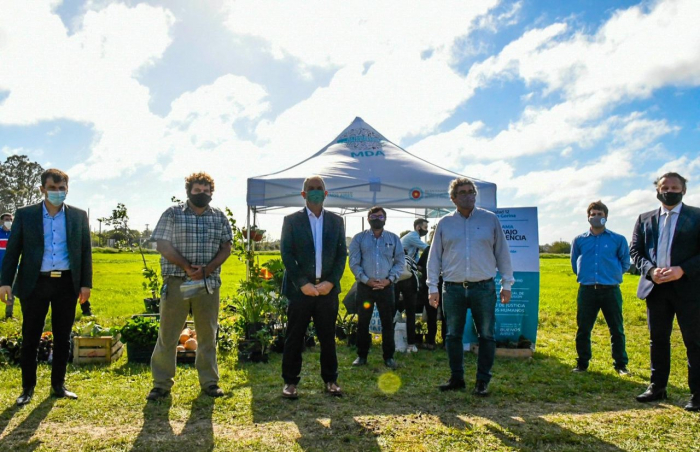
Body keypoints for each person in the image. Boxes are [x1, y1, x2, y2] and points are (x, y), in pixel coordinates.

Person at [0, 169, 92, 406]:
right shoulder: (26, 215)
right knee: (30, 337)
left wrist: (85, 284)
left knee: (63, 337)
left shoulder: (78, 216)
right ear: (42, 189)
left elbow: (85, 252)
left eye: (62, 189)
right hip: (34, 283)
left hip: (66, 283)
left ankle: (58, 385)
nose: (58, 193)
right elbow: (13, 252)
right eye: (53, 188)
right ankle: (27, 388)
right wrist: (5, 282)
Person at [146, 172, 233, 401]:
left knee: (207, 334)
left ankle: (210, 382)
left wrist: (207, 269)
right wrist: (186, 266)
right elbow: (162, 244)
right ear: (188, 191)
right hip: (178, 281)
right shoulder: (172, 214)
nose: (202, 194)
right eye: (197, 190)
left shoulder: (219, 217)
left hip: (207, 282)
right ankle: (161, 384)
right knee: (168, 334)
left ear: (211, 193)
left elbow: (226, 247)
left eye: (206, 191)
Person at [427, 177, 513, 396]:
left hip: (483, 288)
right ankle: (457, 378)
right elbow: (434, 257)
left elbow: (502, 253)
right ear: (453, 198)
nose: (468, 195)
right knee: (453, 335)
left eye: (471, 191)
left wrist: (507, 283)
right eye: (462, 192)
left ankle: (482, 381)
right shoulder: (445, 223)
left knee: (486, 335)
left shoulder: (490, 220)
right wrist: (432, 287)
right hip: (452, 288)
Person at [630, 172, 700, 412]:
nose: (669, 190)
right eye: (664, 187)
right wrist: (650, 271)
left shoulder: (697, 216)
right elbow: (636, 251)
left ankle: (698, 394)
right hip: (656, 289)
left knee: (694, 342)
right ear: (657, 190)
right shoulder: (645, 218)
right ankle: (657, 387)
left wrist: (683, 269)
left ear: (683, 190)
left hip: (689, 289)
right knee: (657, 339)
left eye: (674, 187)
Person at [280, 175, 347, 399]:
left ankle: (331, 380)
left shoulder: (337, 221)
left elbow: (341, 256)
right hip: (301, 291)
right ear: (303, 194)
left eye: (320, 188)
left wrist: (331, 282)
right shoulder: (291, 221)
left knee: (328, 337)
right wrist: (302, 284)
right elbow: (287, 254)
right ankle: (290, 382)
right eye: (311, 188)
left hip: (327, 290)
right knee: (294, 336)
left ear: (326, 194)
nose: (316, 191)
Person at [570, 201, 630, 375]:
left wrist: (613, 274)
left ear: (606, 217)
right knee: (583, 328)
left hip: (610, 289)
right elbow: (574, 263)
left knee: (616, 329)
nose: (596, 217)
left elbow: (625, 262)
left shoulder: (618, 239)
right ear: (588, 217)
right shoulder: (579, 240)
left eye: (600, 214)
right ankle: (582, 363)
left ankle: (620, 364)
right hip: (587, 290)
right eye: (593, 214)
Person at [349, 206, 405, 370]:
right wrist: (367, 280)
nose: (377, 219)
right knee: (363, 322)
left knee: (388, 323)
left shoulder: (393, 238)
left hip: (386, 287)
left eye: (380, 217)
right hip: (365, 287)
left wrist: (389, 280)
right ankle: (362, 355)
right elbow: (354, 263)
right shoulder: (359, 238)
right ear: (368, 219)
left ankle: (388, 357)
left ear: (385, 219)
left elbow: (400, 262)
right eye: (374, 216)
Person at [393, 252, 419, 353]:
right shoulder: (410, 259)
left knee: (391, 313)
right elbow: (415, 271)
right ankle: (411, 344)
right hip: (410, 283)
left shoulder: (393, 258)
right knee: (410, 315)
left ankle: (392, 341)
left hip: (395, 282)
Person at [0, 212, 15, 319]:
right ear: (2, 220)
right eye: (6, 219)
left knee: (10, 292)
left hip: (11, 268)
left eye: (10, 219)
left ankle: (9, 315)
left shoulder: (14, 233)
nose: (9, 221)